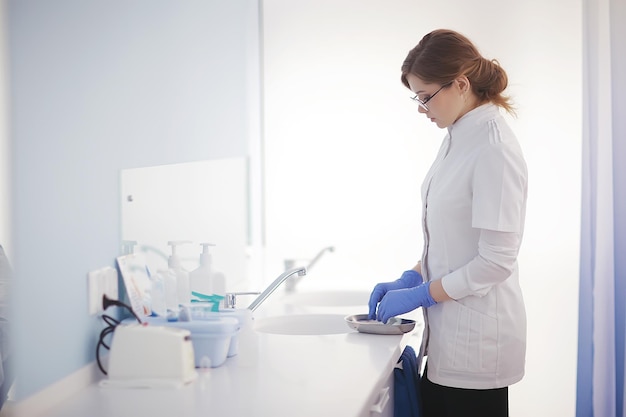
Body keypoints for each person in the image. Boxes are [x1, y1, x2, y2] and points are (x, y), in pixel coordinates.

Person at [368, 29, 528, 417]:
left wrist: (423, 293)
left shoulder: (493, 148)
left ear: (460, 84)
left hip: (478, 348)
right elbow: (451, 234)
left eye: (425, 97)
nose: (422, 109)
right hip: (448, 342)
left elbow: (495, 261)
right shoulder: (459, 133)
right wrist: (413, 274)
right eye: (417, 98)